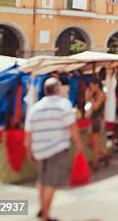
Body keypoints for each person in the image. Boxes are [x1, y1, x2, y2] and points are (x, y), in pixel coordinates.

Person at [24, 77, 84, 221]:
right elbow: (72, 127)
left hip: (38, 150)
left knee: (42, 180)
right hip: (57, 149)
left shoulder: (35, 108)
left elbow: (27, 135)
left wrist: (29, 152)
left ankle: (42, 208)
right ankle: (45, 215)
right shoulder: (63, 104)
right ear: (57, 89)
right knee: (51, 182)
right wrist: (79, 144)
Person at [85, 78, 110, 171]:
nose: (91, 88)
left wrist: (90, 97)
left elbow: (95, 107)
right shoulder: (95, 94)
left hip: (97, 120)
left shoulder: (101, 95)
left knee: (94, 144)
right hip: (93, 119)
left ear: (97, 85)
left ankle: (95, 165)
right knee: (89, 144)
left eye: (92, 86)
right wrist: (88, 96)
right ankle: (106, 154)